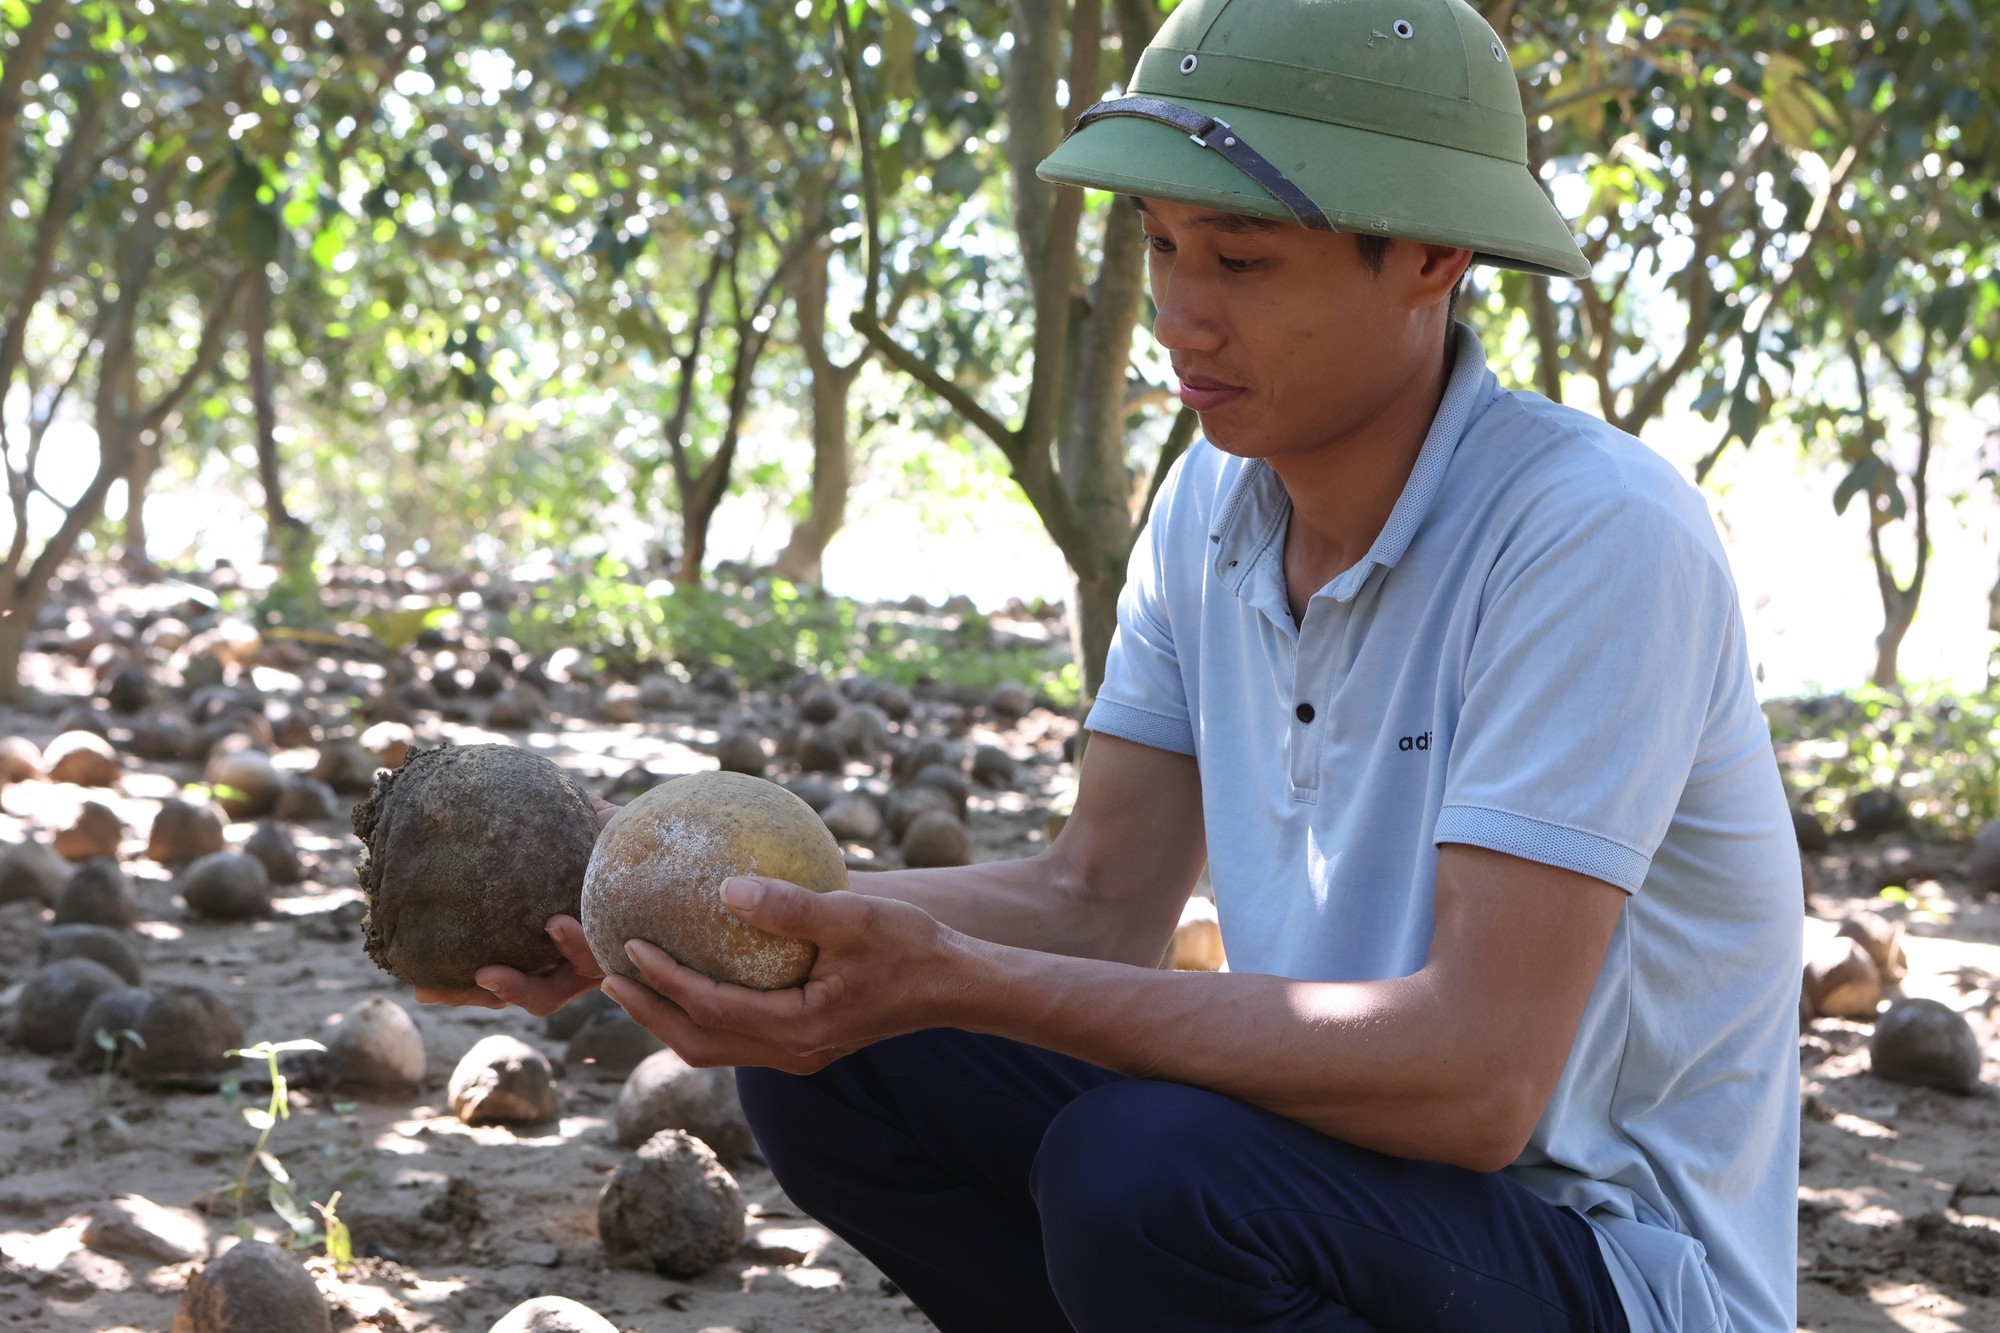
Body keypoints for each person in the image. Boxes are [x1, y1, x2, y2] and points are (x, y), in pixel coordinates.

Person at [423, 0, 1802, 1329]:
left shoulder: (1592, 533)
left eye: (1242, 259)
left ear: (1433, 259)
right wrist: (666, 915)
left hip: (1603, 1262)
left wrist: (954, 976)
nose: (1178, 316)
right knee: (842, 1056)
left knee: (1139, 1177)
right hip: (1342, 1183)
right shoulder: (1211, 507)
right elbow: (1094, 899)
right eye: (1158, 247)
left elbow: (1476, 1082)